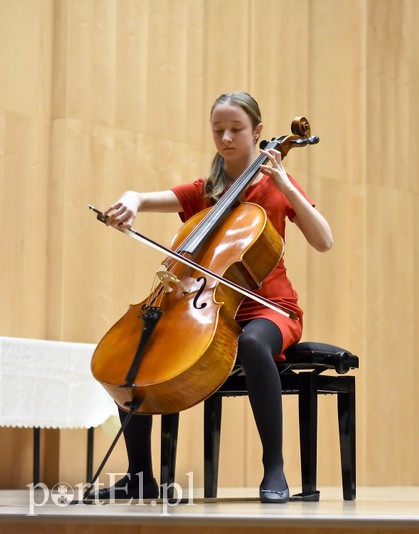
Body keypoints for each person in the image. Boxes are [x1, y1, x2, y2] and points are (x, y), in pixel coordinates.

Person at [92, 91, 333, 503]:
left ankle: (274, 468)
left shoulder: (277, 186)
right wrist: (130, 201)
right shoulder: (207, 191)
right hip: (205, 307)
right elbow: (147, 198)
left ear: (257, 132)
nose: (225, 138)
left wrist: (286, 186)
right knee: (139, 345)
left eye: (236, 129)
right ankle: (139, 475)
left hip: (269, 308)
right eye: (218, 130)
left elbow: (324, 241)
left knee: (254, 343)